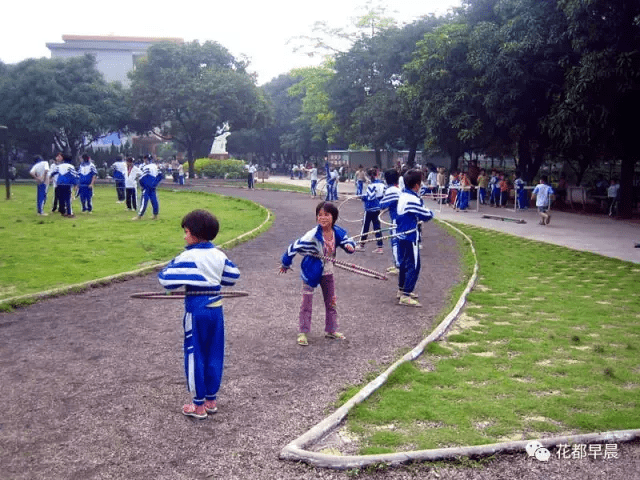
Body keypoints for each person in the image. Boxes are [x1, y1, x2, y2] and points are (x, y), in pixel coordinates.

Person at [158, 210, 240, 419]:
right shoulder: (219, 255)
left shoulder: (188, 256)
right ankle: (211, 399)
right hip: (216, 310)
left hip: (196, 310)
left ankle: (198, 405)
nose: (184, 237)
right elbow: (232, 277)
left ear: (194, 234)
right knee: (214, 352)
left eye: (186, 232)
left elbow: (167, 280)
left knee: (195, 354)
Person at [279, 201, 356, 346]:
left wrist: (349, 247)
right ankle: (303, 332)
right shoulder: (312, 235)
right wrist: (285, 263)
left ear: (333, 217)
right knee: (306, 303)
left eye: (326, 215)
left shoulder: (337, 232)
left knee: (331, 302)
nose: (323, 218)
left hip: (328, 271)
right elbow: (294, 247)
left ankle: (331, 330)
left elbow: (348, 241)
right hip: (311, 270)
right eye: (319, 215)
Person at [395, 170, 434, 307]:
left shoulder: (403, 195)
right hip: (410, 236)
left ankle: (402, 290)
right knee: (414, 265)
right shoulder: (412, 199)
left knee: (405, 264)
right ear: (417, 185)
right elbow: (426, 215)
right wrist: (430, 212)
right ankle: (406, 295)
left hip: (401, 235)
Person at [356, 168, 385, 253]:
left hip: (369, 209)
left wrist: (362, 197)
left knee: (365, 226)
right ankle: (380, 247)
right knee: (377, 227)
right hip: (377, 208)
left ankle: (361, 245)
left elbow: (370, 197)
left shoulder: (371, 186)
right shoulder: (381, 184)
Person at [380, 169, 402, 275]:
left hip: (396, 220)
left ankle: (398, 266)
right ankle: (398, 264)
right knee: (399, 241)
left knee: (395, 242)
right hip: (402, 219)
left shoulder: (391, 190)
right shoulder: (399, 189)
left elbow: (382, 204)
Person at [133, 154, 163, 220]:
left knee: (144, 200)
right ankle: (155, 215)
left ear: (146, 159)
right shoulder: (155, 166)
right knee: (154, 199)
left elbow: (143, 177)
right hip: (153, 184)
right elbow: (160, 175)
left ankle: (140, 216)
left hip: (147, 185)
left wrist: (142, 185)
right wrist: (155, 183)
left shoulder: (145, 167)